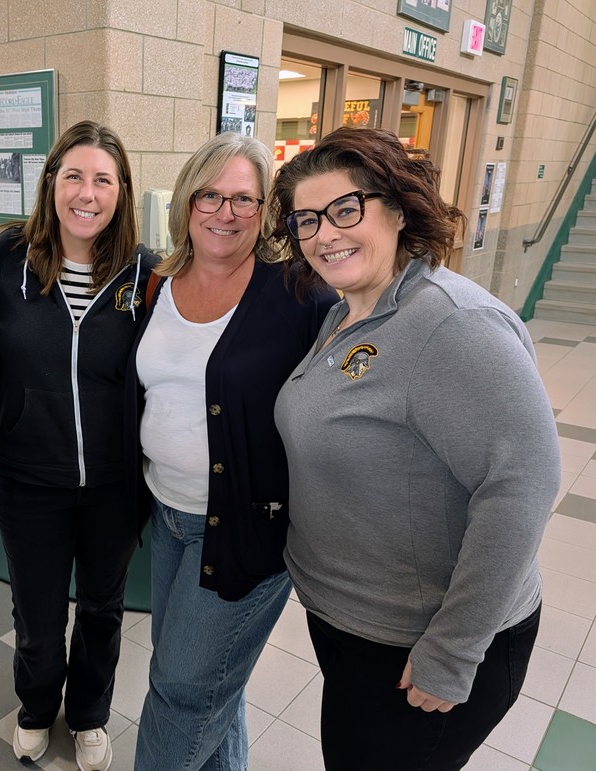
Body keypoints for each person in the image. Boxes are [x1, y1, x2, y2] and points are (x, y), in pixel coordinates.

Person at [270, 127, 561, 770]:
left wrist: (452, 653)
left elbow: (524, 482)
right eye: (308, 220)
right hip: (354, 625)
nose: (326, 234)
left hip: (417, 647)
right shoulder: (347, 309)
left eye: (348, 209)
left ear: (398, 211)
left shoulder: (450, 324)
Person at [127, 132, 337, 770]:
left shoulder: (300, 292)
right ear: (187, 203)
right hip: (167, 516)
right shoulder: (155, 283)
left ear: (266, 209)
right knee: (213, 681)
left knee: (181, 690)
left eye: (243, 199)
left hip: (247, 531)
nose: (225, 212)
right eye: (210, 196)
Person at [0, 120, 157, 771]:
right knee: (36, 611)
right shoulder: (7, 258)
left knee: (102, 611)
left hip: (114, 484)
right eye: (74, 175)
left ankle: (88, 715)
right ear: (51, 182)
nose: (87, 193)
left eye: (103, 179)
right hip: (29, 480)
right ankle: (34, 707)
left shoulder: (146, 272)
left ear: (121, 192)